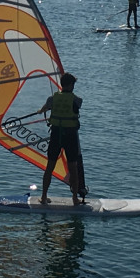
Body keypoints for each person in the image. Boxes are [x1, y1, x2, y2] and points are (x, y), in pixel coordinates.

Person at [38, 72, 83, 206]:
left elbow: (44, 108)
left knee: (49, 167)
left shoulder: (52, 99)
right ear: (70, 85)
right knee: (73, 168)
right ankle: (75, 199)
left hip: (56, 135)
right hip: (70, 137)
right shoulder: (77, 100)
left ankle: (44, 197)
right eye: (73, 84)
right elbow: (76, 108)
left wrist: (41, 110)